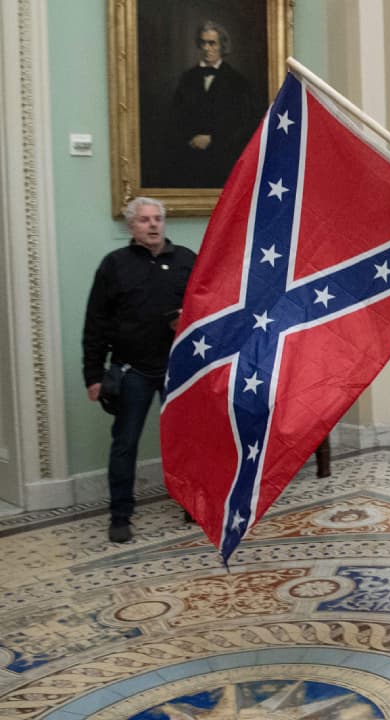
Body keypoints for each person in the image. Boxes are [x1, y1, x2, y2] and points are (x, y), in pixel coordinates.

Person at [82, 197, 196, 542]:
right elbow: (96, 322)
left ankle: (192, 503)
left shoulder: (186, 260)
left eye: (157, 218)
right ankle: (120, 515)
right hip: (133, 370)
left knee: (186, 440)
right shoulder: (114, 264)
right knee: (125, 443)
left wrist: (187, 319)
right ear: (131, 226)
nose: (153, 225)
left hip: (178, 368)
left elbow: (207, 307)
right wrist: (93, 375)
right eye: (144, 220)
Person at [165, 20, 260, 188]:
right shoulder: (187, 78)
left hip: (223, 162)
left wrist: (213, 140)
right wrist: (191, 139)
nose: (206, 48)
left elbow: (246, 123)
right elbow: (175, 118)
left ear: (222, 46)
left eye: (212, 43)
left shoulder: (237, 81)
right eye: (203, 43)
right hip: (189, 161)